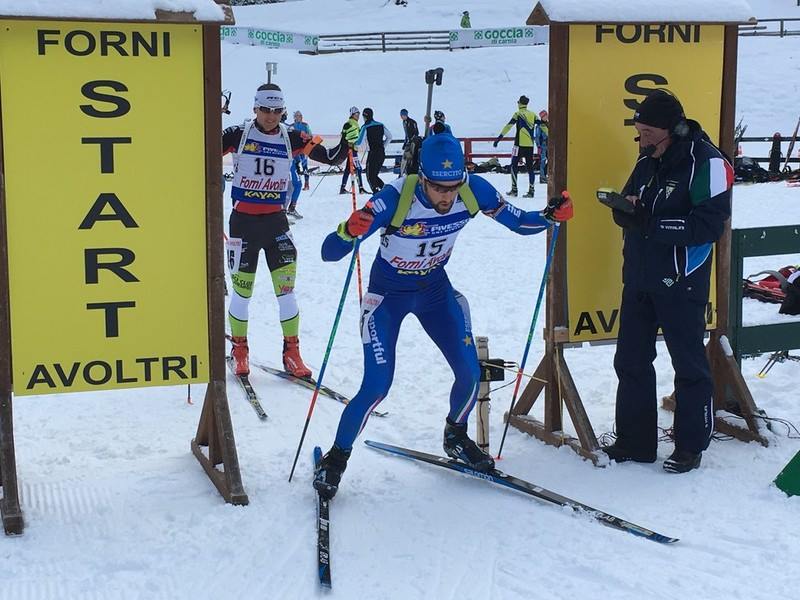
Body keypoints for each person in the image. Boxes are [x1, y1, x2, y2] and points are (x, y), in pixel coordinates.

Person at [313, 133, 574, 500]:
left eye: (454, 187)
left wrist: (550, 216)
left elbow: (519, 222)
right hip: (388, 297)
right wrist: (347, 231)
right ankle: (336, 458)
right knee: (376, 386)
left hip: (435, 292)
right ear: (422, 178)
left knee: (469, 372)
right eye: (438, 188)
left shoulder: (473, 191)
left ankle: (456, 434)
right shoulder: (393, 198)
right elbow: (329, 252)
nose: (447, 196)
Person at [601, 89, 733, 473]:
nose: (641, 141)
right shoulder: (649, 156)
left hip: (682, 279)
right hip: (640, 277)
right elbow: (632, 198)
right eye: (638, 133)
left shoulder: (707, 163)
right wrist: (625, 211)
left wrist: (652, 223)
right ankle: (635, 441)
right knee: (630, 360)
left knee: (689, 365)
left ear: (673, 130)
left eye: (647, 133)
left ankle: (690, 446)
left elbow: (709, 225)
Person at [222, 83, 349, 378]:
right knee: (242, 293)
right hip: (242, 223)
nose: (270, 116)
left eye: (276, 110)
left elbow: (331, 157)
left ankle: (292, 352)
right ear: (255, 108)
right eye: (265, 109)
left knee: (287, 293)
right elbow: (199, 153)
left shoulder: (292, 136)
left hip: (276, 223)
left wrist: (347, 140)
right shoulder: (237, 135)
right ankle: (240, 349)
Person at [493, 95, 539, 197]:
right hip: (530, 146)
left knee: (514, 166)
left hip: (518, 145)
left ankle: (514, 190)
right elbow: (542, 125)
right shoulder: (533, 115)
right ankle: (531, 191)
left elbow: (508, 126)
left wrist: (499, 138)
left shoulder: (517, 114)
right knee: (530, 168)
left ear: (520, 103)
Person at [356, 107, 393, 193]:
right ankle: (385, 191)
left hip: (373, 153)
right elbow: (390, 137)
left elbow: (359, 142)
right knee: (374, 175)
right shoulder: (380, 125)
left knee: (370, 176)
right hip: (381, 153)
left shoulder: (365, 127)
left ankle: (377, 194)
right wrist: (383, 146)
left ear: (364, 116)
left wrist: (351, 144)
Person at [340, 106, 367, 195]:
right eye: (357, 114)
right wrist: (349, 144)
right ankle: (361, 188)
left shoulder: (355, 123)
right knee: (358, 168)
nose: (358, 116)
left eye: (359, 114)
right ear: (352, 114)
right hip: (351, 150)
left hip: (352, 149)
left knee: (348, 168)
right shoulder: (350, 123)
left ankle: (342, 188)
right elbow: (345, 136)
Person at [535, 109, 549, 184]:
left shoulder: (549, 124)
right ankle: (542, 177)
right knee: (543, 161)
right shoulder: (539, 126)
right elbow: (537, 137)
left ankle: (546, 175)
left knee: (551, 160)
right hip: (543, 145)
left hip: (549, 145)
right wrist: (538, 146)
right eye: (545, 115)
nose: (546, 117)